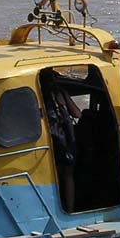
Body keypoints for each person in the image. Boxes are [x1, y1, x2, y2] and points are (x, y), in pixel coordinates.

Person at [44, 78, 80, 212]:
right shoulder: (59, 94)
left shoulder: (41, 94)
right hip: (64, 140)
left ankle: (58, 209)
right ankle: (69, 209)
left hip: (54, 140)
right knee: (67, 176)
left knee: (57, 176)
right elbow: (77, 113)